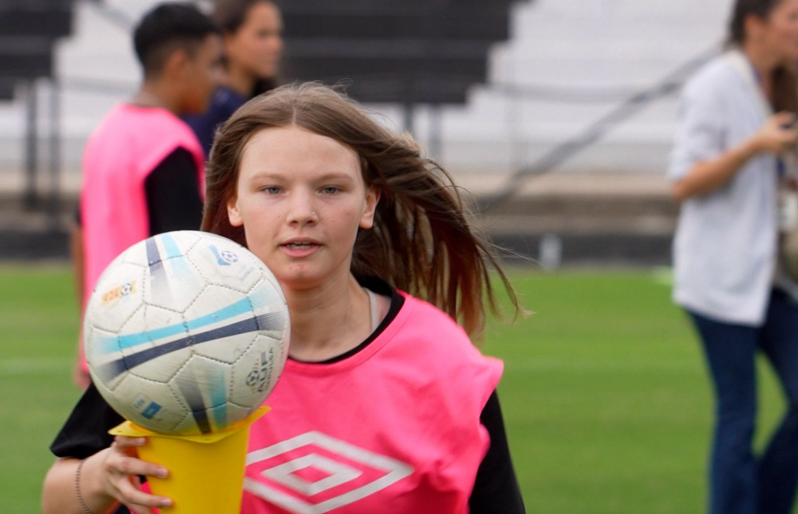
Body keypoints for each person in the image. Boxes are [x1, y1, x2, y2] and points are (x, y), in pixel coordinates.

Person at [41, 83, 527, 514]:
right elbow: (58, 497)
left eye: (330, 189)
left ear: (369, 203)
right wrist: (101, 477)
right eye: (272, 189)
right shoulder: (167, 336)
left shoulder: (444, 363)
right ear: (233, 201)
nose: (302, 212)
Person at [668, 0, 798, 513]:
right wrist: (751, 147)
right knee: (738, 416)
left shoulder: (786, 85)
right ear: (755, 23)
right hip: (720, 279)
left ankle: (762, 505)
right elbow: (683, 182)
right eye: (794, 15)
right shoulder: (714, 86)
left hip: (776, 279)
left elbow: (795, 182)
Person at [68, 3, 223, 390]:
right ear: (180, 65)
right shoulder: (169, 143)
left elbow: (80, 232)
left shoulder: (107, 130)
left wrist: (86, 334)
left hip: (104, 341)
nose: (218, 79)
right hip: (153, 354)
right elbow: (185, 256)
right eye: (212, 64)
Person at [184, 0, 283, 157]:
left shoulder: (262, 103)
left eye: (277, 34)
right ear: (227, 40)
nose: (275, 45)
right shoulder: (209, 108)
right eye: (263, 34)